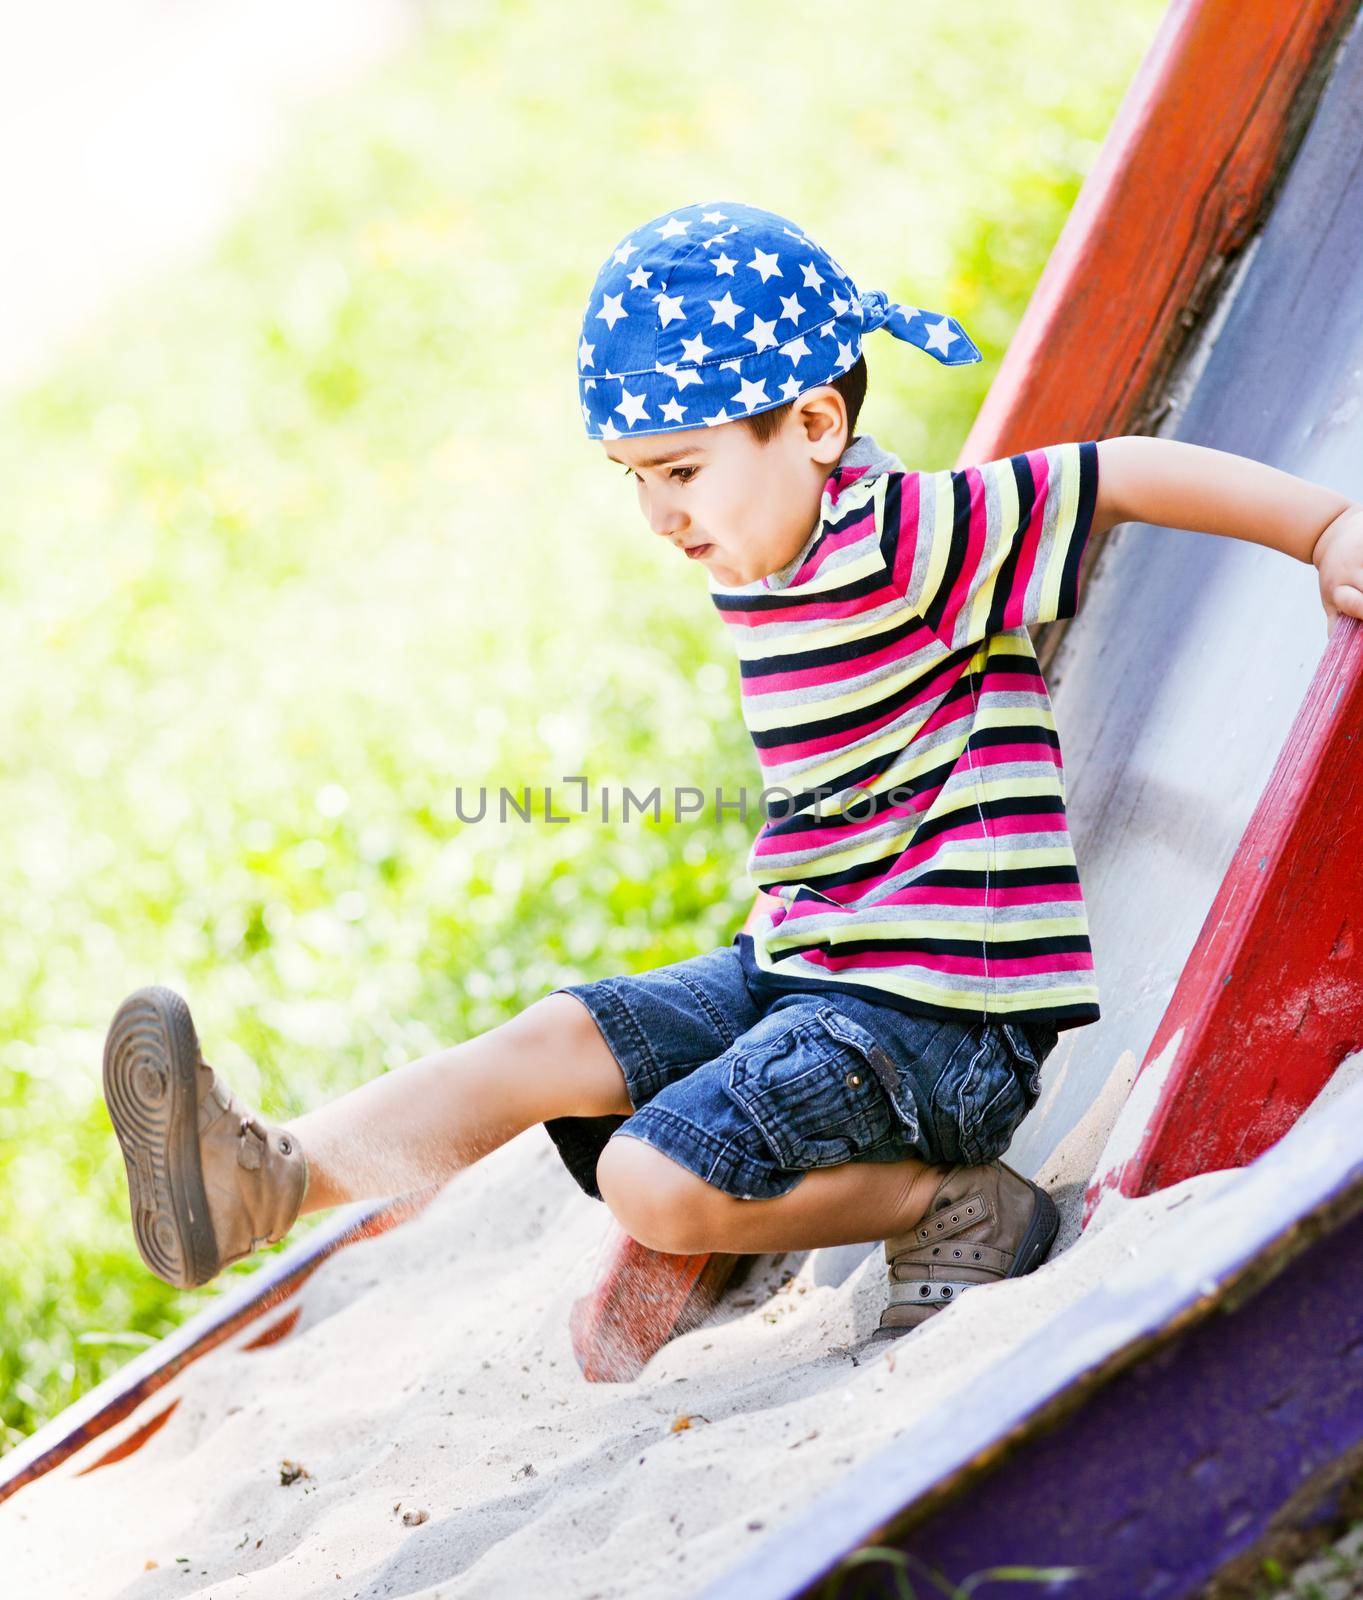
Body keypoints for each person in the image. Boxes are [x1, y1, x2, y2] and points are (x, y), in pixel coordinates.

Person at [102, 200, 1363, 1341]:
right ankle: (265, 1180)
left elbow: (1120, 472)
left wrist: (1321, 527)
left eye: (682, 471)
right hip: (811, 966)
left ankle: (953, 1201)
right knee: (552, 1036)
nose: (659, 515)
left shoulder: (905, 533)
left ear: (816, 425)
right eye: (637, 479)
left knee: (645, 1181)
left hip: (939, 1018)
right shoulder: (758, 554)